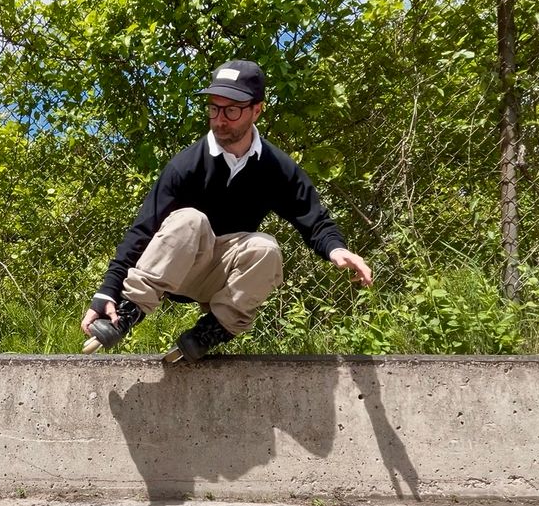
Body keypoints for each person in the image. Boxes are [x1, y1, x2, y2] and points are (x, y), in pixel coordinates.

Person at [81, 59, 373, 361]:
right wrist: (107, 293)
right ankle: (129, 313)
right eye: (214, 108)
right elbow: (143, 229)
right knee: (190, 219)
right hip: (179, 270)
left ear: (256, 110)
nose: (220, 119)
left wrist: (337, 250)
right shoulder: (186, 166)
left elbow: (314, 219)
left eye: (231, 110)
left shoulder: (276, 168)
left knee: (266, 248)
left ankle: (210, 331)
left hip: (224, 277)